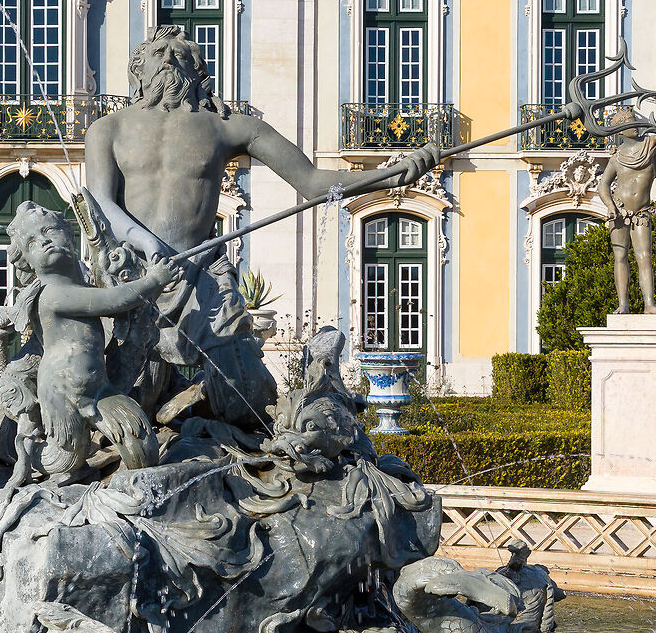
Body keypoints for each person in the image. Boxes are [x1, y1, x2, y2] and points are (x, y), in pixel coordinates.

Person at [83, 26, 440, 431]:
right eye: (158, 52)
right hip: (134, 276)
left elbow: (310, 181)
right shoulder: (106, 130)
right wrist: (145, 242)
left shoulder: (228, 126)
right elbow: (100, 206)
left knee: (248, 399)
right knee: (126, 410)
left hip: (201, 275)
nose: (169, 59)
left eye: (181, 54)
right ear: (137, 68)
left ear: (198, 71)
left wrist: (390, 176)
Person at [0, 204, 182, 483]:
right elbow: (113, 301)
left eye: (49, 230)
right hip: (64, 394)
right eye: (32, 241)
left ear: (69, 233)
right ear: (27, 260)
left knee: (143, 450)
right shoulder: (52, 294)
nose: (44, 240)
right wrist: (154, 280)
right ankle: (32, 462)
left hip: (99, 390)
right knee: (64, 459)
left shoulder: (80, 286)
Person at [592, 101, 656, 319]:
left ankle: (649, 304)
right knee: (620, 257)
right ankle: (623, 305)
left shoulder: (651, 147)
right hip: (618, 212)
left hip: (641, 213)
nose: (637, 124)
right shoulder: (617, 157)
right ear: (621, 129)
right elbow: (603, 186)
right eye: (631, 122)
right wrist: (610, 206)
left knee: (644, 256)